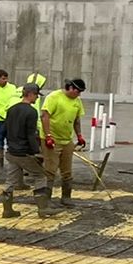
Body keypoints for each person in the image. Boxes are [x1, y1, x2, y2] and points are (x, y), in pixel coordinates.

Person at [1, 82, 54, 218]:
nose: (37, 98)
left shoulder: (11, 109)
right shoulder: (31, 112)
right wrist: (36, 152)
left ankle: (7, 210)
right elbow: (31, 134)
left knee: (10, 181)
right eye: (36, 95)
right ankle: (43, 209)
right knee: (40, 176)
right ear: (30, 94)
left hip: (12, 151)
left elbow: (5, 130)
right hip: (24, 152)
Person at [40, 78, 87, 206]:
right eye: (78, 91)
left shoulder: (77, 101)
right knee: (50, 170)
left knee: (67, 171)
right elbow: (45, 116)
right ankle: (46, 199)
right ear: (70, 88)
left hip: (67, 141)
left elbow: (76, 120)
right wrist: (48, 136)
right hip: (52, 140)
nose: (79, 95)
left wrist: (79, 135)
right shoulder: (54, 97)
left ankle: (66, 197)